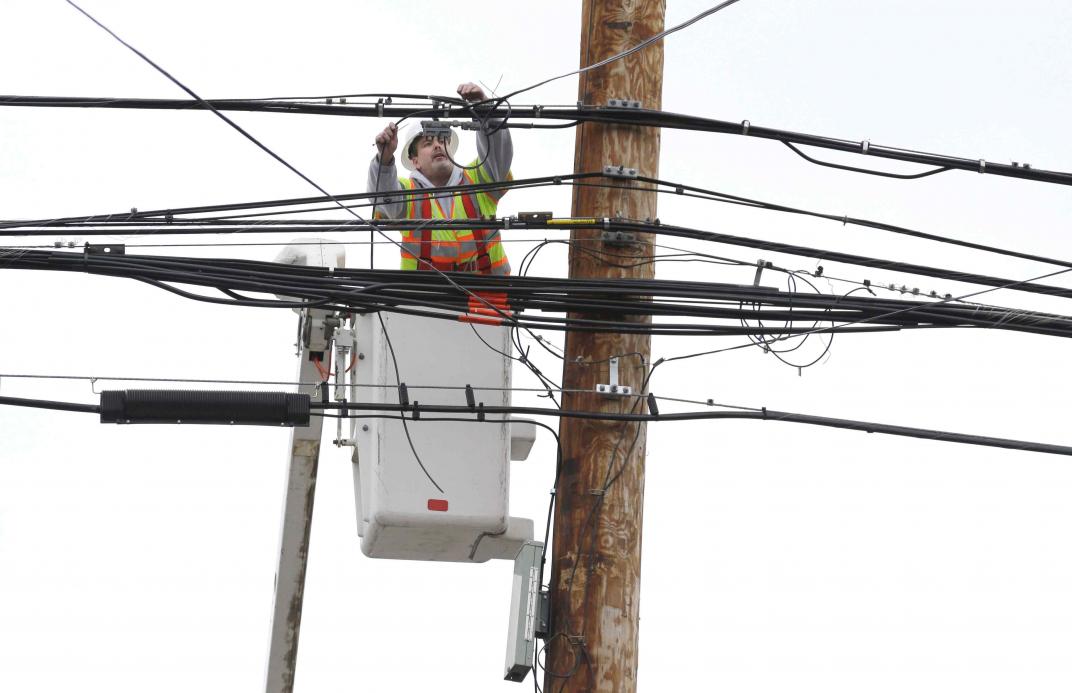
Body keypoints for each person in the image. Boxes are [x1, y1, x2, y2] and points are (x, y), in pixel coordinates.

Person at [368, 82, 513, 275]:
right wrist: (384, 159)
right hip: (427, 301)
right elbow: (383, 197)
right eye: (428, 143)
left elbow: (498, 153)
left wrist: (485, 109)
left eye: (443, 140)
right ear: (415, 160)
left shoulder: (478, 177)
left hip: (489, 298)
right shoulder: (408, 193)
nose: (438, 146)